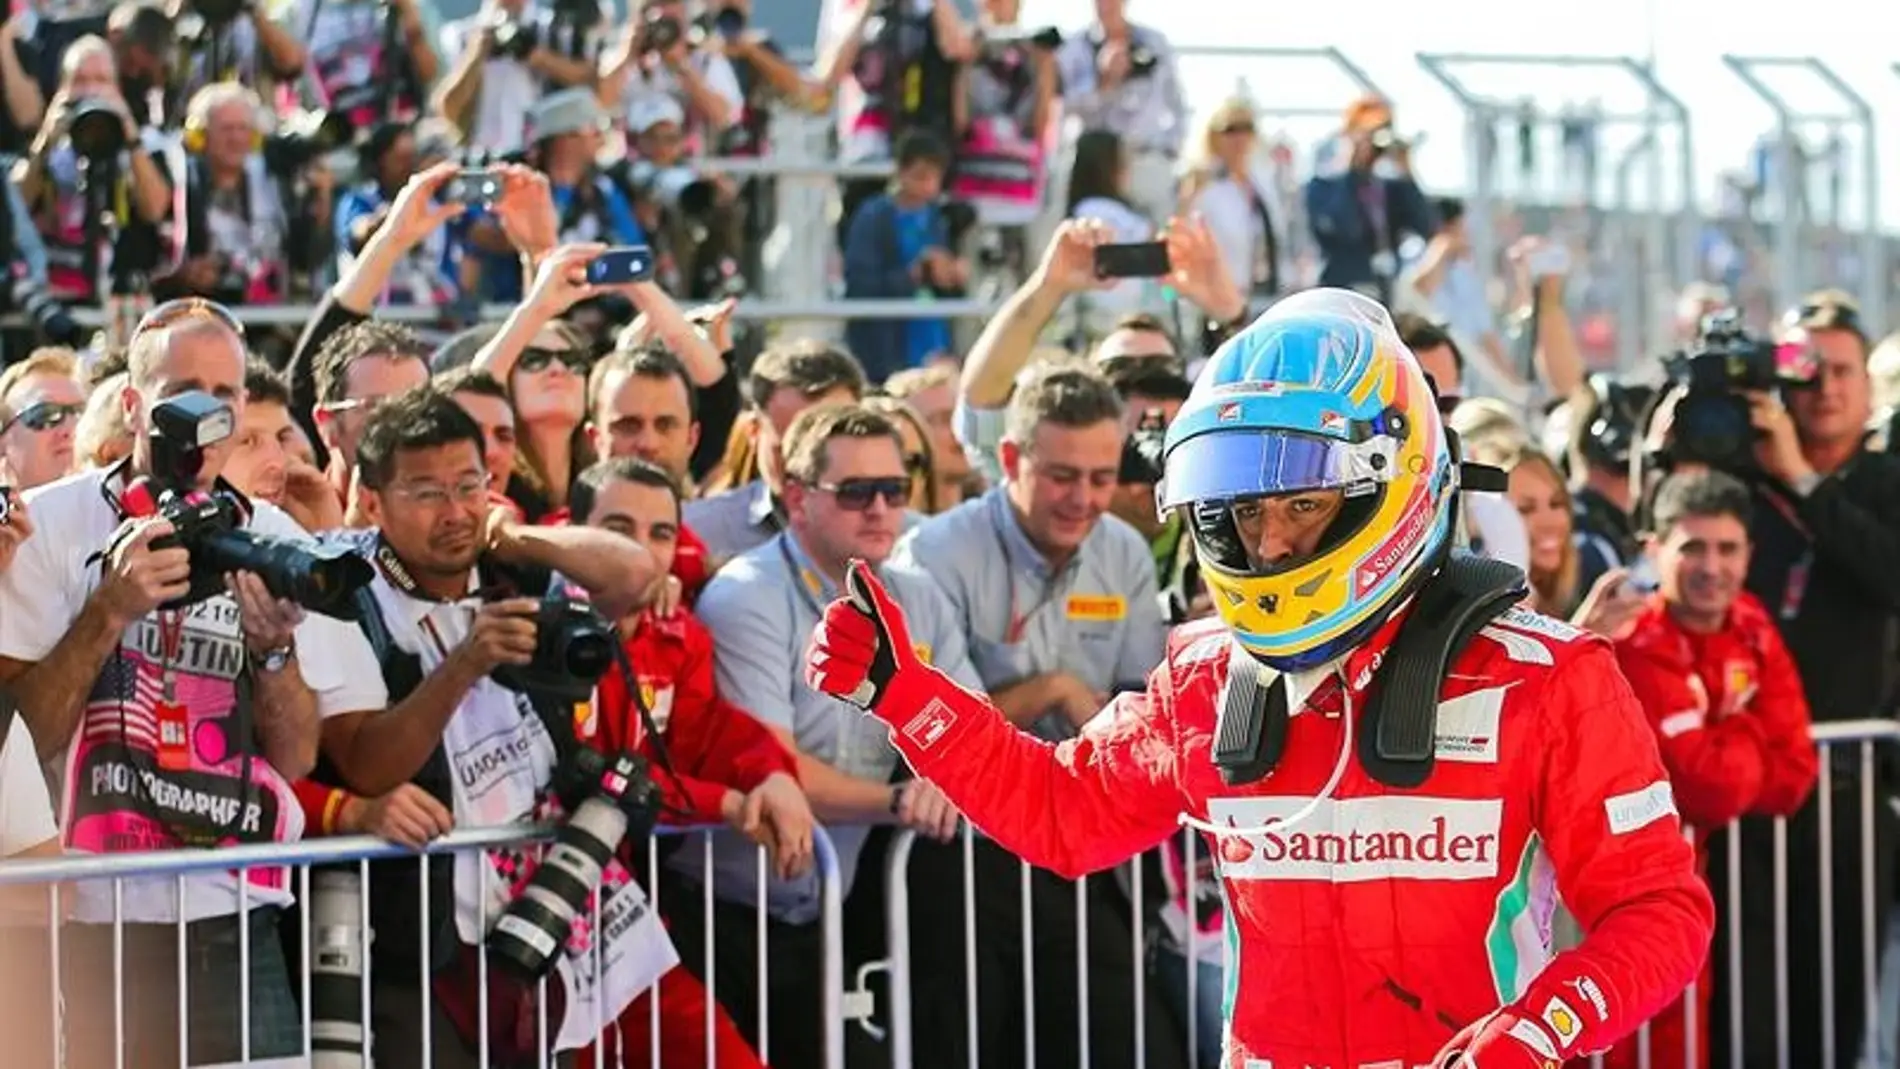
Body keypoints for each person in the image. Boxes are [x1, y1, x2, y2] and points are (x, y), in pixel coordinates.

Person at [804, 288, 1714, 1067]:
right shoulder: (1204, 674)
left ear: (1388, 487)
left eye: (1304, 505)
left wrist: (1538, 1029)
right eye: (1243, 511)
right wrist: (907, 693)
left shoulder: (1550, 677)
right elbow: (1060, 813)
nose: (1270, 541)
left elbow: (1662, 910)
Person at [1608, 470, 1817, 1069]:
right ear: (1655, 551)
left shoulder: (1750, 622)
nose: (1711, 566)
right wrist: (1747, 727)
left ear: (1749, 554)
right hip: (1627, 893)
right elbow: (1711, 788)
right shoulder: (1637, 640)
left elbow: (1795, 775)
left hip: (1710, 883)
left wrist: (1721, 731)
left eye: (1727, 548)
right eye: (1692, 547)